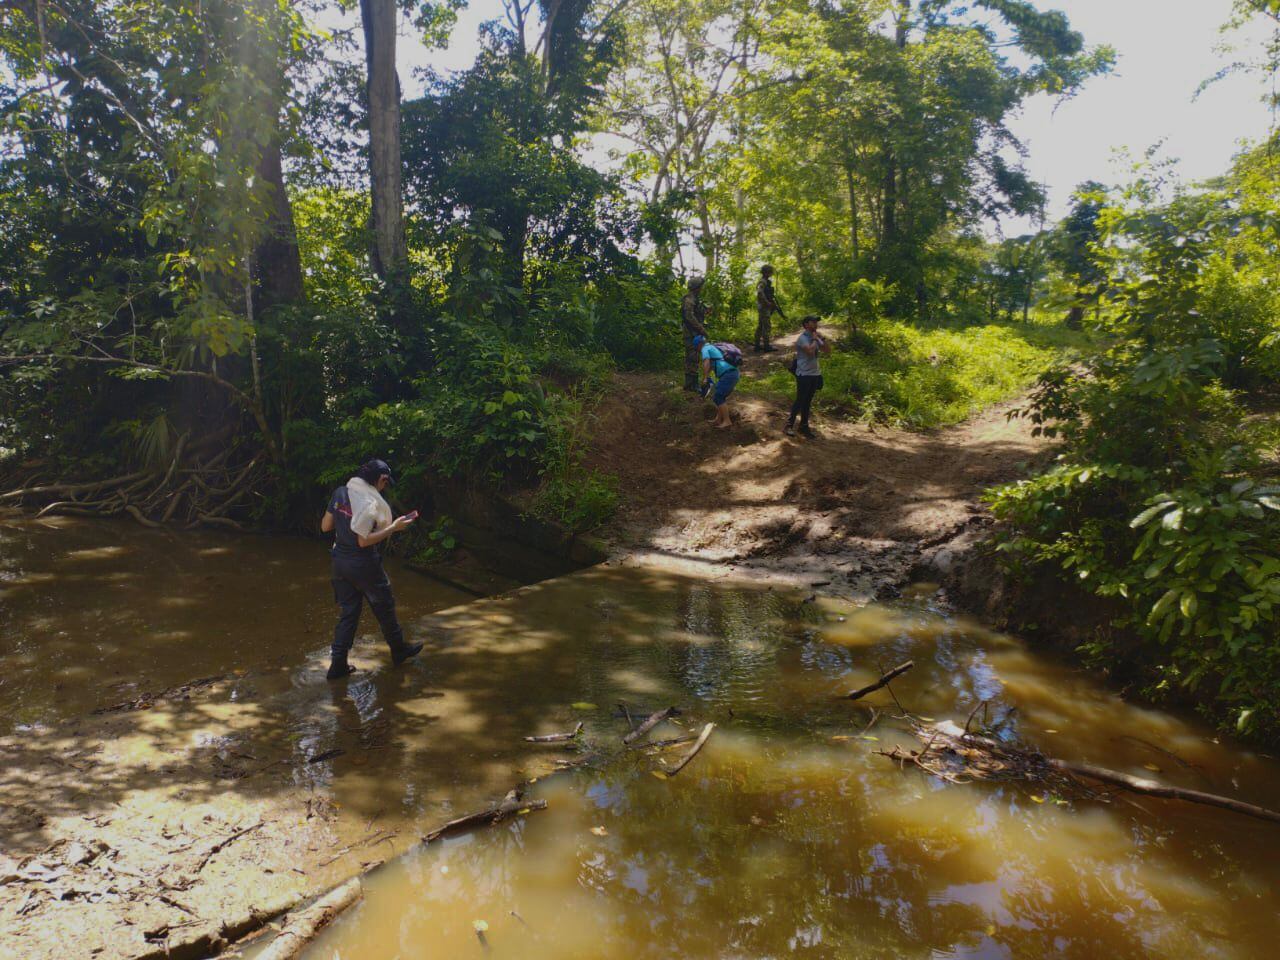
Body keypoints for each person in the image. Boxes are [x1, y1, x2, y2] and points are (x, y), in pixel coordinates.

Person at [319, 458, 423, 680]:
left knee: (349, 612)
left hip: (339, 563)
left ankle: (338, 665)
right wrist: (394, 528)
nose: (385, 487)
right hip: (363, 564)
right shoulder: (369, 503)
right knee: (383, 605)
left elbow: (325, 526)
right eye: (385, 483)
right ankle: (398, 650)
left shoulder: (340, 492)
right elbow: (363, 542)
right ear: (381, 479)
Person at [785, 315, 831, 439]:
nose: (816, 324)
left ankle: (803, 427)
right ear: (806, 324)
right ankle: (789, 425)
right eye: (813, 322)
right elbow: (810, 352)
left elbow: (828, 351)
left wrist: (822, 339)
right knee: (800, 400)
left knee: (808, 401)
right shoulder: (803, 338)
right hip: (804, 374)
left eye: (816, 322)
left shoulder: (815, 337)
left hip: (815, 373)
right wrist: (815, 340)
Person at [695, 334, 740, 428]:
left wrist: (705, 377)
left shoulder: (705, 349)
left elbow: (706, 362)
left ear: (698, 345)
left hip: (729, 374)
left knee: (718, 397)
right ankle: (718, 419)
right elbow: (712, 365)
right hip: (731, 374)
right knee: (720, 396)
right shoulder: (712, 347)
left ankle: (727, 421)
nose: (698, 350)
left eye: (696, 348)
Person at [681, 275, 710, 392]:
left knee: (694, 357)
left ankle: (692, 383)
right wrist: (701, 329)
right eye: (700, 287)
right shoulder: (689, 300)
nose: (701, 289)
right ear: (696, 287)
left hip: (694, 333)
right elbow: (689, 316)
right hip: (690, 333)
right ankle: (691, 384)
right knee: (692, 358)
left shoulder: (695, 299)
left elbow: (697, 313)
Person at [754, 264, 785, 352]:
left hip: (763, 307)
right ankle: (766, 346)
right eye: (770, 272)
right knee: (766, 327)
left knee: (760, 326)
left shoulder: (766, 281)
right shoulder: (763, 281)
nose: (771, 274)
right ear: (767, 272)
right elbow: (760, 293)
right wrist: (767, 303)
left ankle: (757, 346)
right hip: (764, 307)